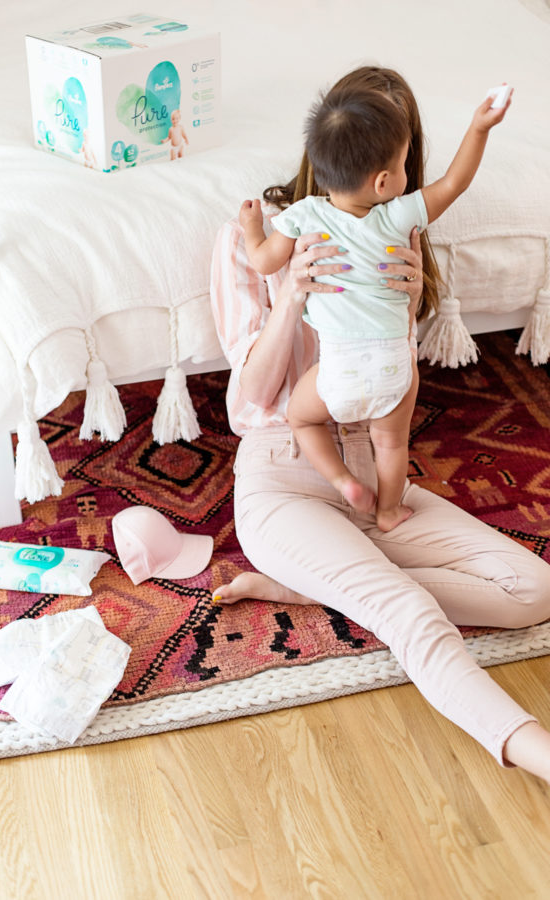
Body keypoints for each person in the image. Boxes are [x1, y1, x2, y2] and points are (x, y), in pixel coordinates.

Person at [209, 66, 550, 782]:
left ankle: (317, 584)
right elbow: (250, 403)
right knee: (408, 611)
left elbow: (388, 373)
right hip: (285, 480)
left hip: (372, 475)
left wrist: (413, 295)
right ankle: (534, 752)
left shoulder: (395, 230)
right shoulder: (269, 237)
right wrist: (288, 297)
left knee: (532, 593)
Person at [239, 87, 511, 532]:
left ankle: (343, 480)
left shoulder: (305, 213)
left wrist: (253, 227)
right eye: (405, 163)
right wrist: (479, 126)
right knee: (391, 443)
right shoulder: (399, 216)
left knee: (302, 419)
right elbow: (455, 183)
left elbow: (264, 260)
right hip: (394, 364)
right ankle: (388, 510)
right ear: (383, 181)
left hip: (338, 370)